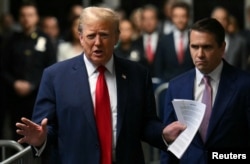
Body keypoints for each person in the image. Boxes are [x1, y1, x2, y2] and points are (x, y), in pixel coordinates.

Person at [16, 6, 186, 164]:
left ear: (116, 37)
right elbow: (47, 128)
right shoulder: (55, 76)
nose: (97, 42)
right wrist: (41, 139)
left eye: (104, 35)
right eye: (91, 36)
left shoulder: (138, 74)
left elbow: (146, 123)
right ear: (81, 38)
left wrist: (163, 133)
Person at [160, 17, 250, 164]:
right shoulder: (176, 86)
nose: (200, 54)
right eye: (194, 47)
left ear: (222, 48)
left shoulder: (245, 84)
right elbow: (170, 143)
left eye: (207, 47)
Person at [1, 2, 56, 141]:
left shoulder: (46, 39)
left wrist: (32, 85)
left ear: (37, 17)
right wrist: (14, 83)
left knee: (38, 137)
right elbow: (3, 67)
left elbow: (51, 68)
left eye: (30, 15)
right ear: (19, 18)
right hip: (14, 97)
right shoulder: (11, 40)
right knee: (16, 137)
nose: (26, 19)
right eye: (23, 15)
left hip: (38, 96)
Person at [155, 1, 194, 82]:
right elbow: (158, 68)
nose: (180, 20)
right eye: (176, 16)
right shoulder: (163, 40)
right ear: (171, 18)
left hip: (191, 84)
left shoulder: (195, 38)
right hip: (168, 85)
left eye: (183, 16)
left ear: (188, 17)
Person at [211, 6, 248, 71]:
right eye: (218, 18)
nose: (221, 22)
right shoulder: (204, 41)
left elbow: (244, 68)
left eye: (224, 19)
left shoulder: (240, 42)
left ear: (228, 21)